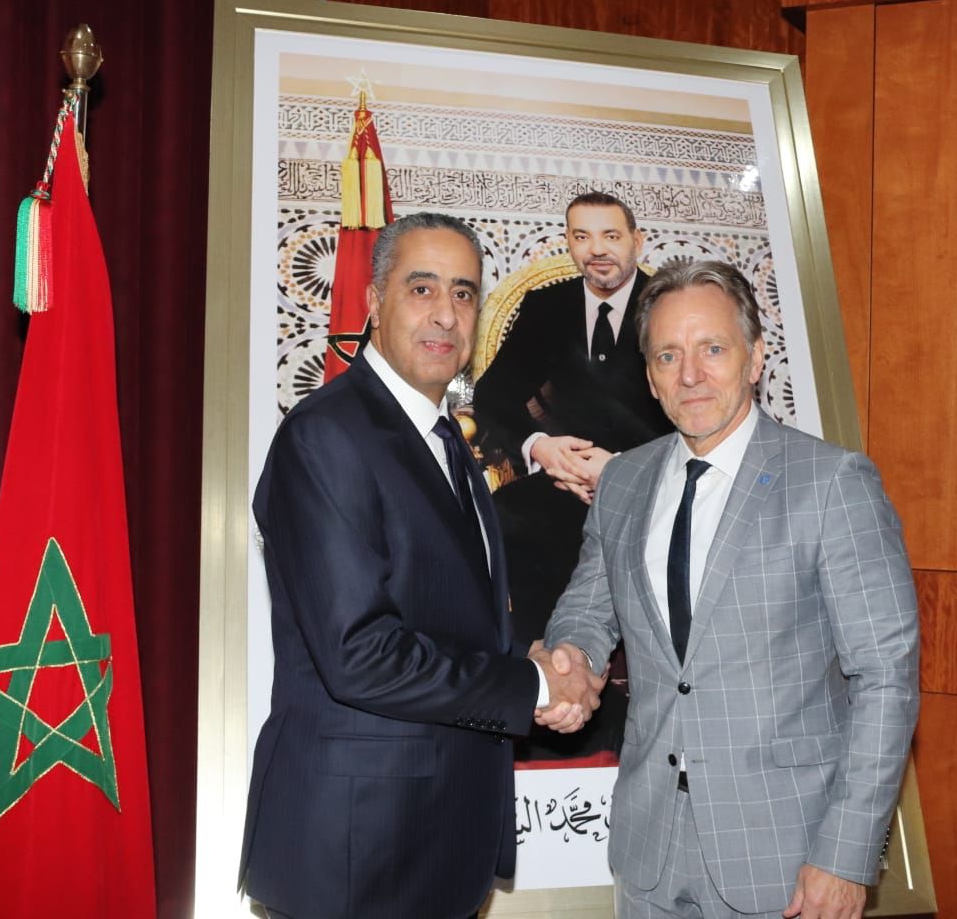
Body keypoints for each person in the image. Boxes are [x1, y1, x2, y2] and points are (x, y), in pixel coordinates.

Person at [239, 213, 605, 919]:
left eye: (464, 293)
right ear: (374, 302)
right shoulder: (327, 435)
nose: (446, 313)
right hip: (356, 859)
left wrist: (533, 658)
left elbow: (452, 623)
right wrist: (533, 684)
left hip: (437, 850)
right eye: (422, 288)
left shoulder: (446, 442)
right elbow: (358, 653)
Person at [541, 260, 919, 919]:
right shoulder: (624, 481)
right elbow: (589, 607)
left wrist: (845, 855)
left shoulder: (832, 482)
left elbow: (886, 676)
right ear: (650, 376)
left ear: (755, 358)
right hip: (648, 850)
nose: (690, 374)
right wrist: (571, 658)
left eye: (712, 349)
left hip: (789, 858)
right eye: (668, 355)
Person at [471, 192, 673, 757]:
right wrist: (542, 446)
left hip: (653, 484)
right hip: (563, 486)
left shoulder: (668, 304)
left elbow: (695, 411)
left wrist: (622, 471)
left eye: (610, 235)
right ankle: (549, 684)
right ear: (569, 244)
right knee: (506, 520)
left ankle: (632, 715)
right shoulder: (548, 306)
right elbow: (493, 396)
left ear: (636, 241)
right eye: (582, 237)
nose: (597, 250)